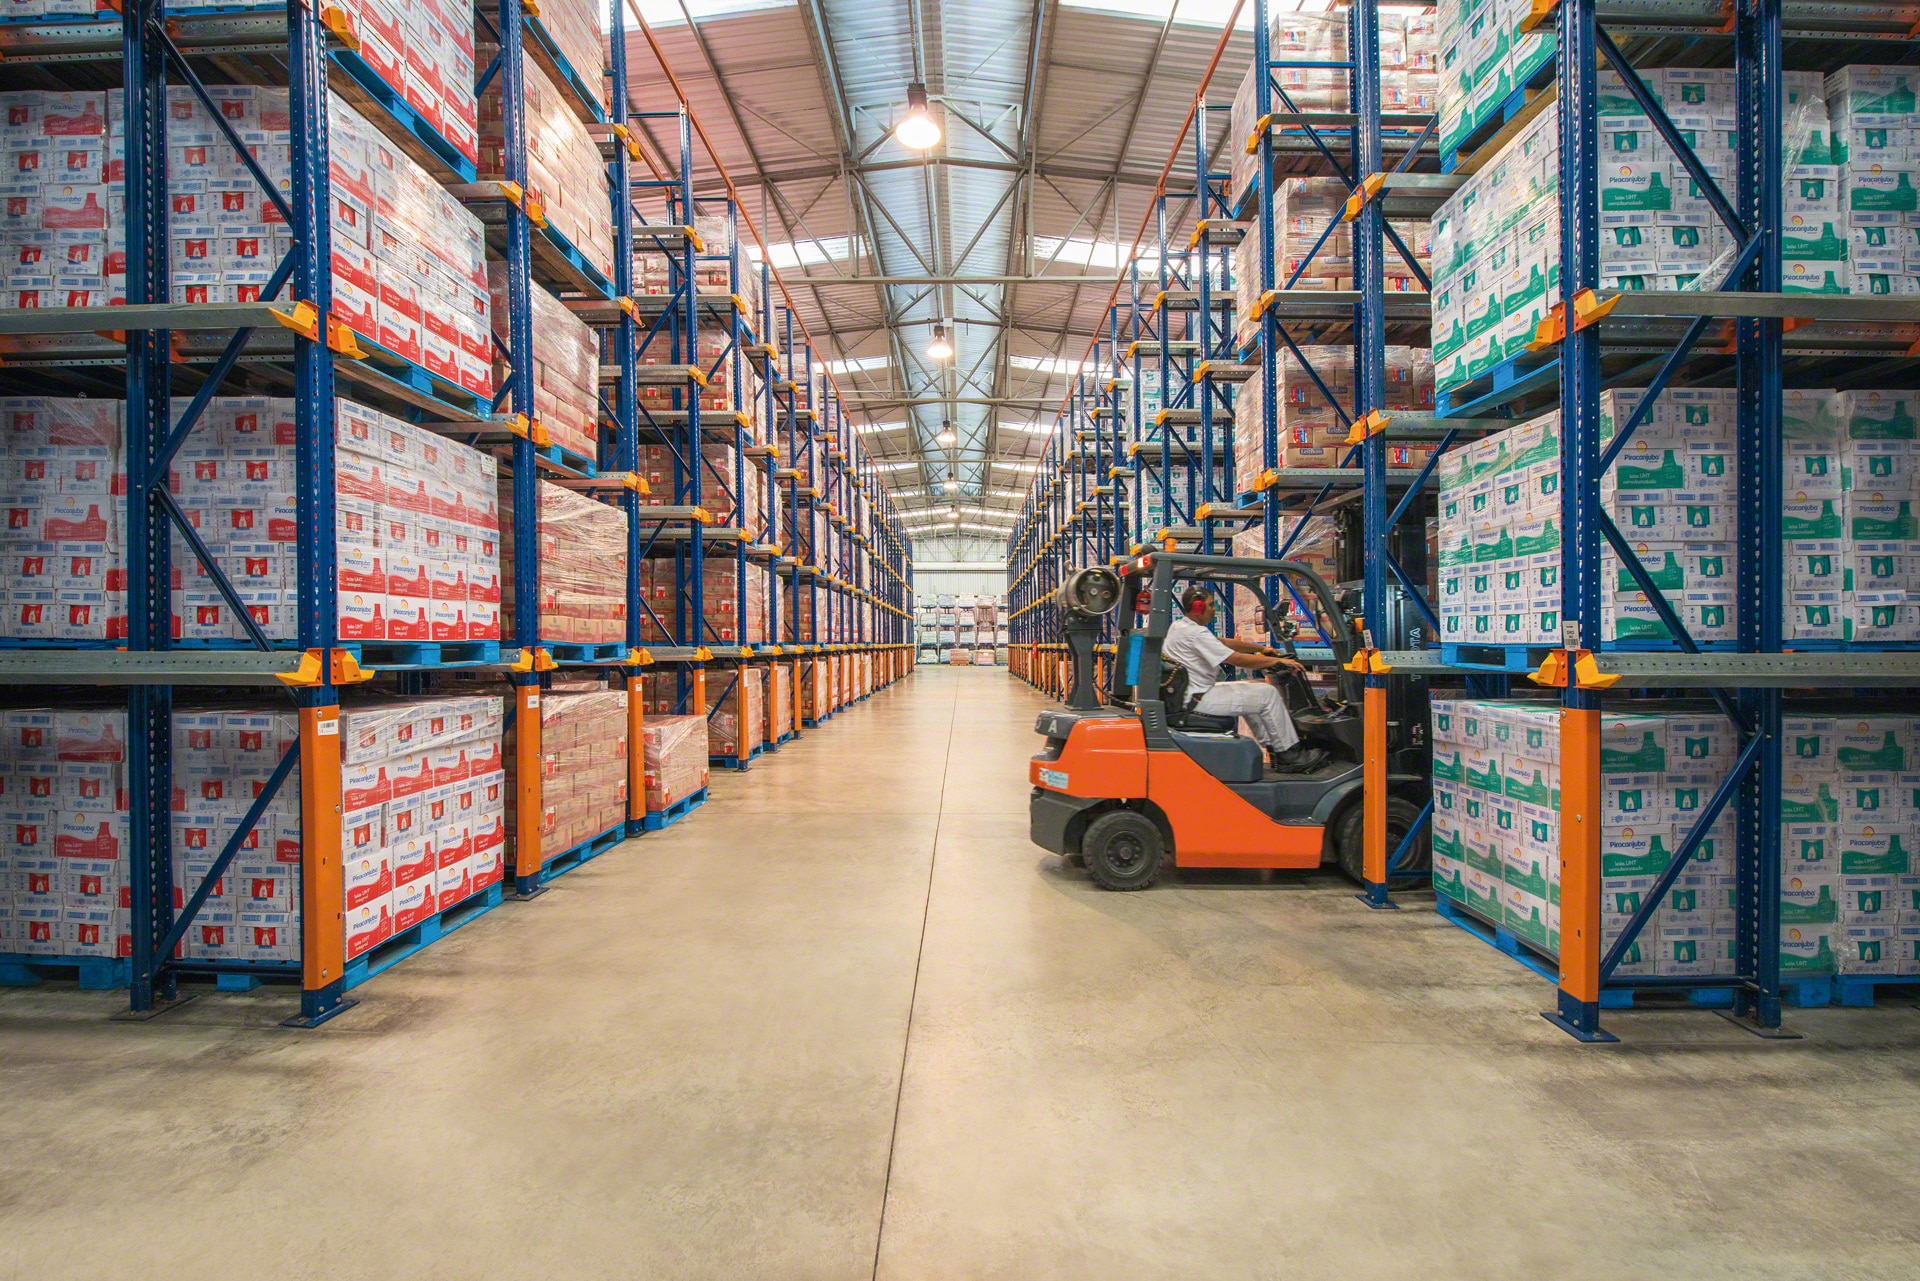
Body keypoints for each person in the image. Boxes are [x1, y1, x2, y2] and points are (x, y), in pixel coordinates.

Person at [1161, 586, 1329, 773]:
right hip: (1197, 699)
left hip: (1192, 695)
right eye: (1210, 605)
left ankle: (1275, 749)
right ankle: (1290, 754)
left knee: (1251, 693)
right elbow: (1236, 659)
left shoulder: (1181, 626)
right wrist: (1276, 660)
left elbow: (1222, 642)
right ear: (1198, 608)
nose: (1214, 609)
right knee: (1268, 694)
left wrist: (1261, 649)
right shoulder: (1194, 633)